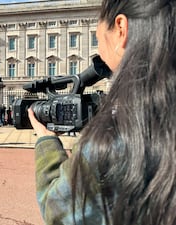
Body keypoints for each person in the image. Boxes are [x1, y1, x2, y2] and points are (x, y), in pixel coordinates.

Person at [28, 1, 176, 224]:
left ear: (120, 29)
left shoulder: (114, 136)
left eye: (97, 37)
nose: (99, 49)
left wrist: (47, 142)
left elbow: (58, 211)